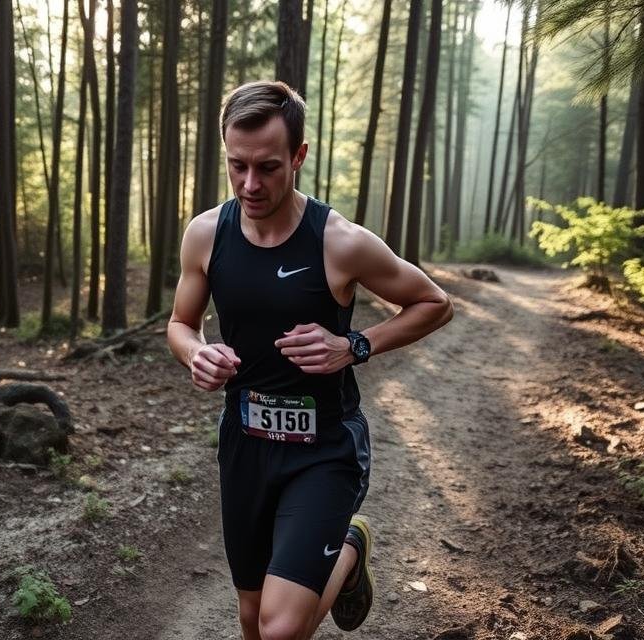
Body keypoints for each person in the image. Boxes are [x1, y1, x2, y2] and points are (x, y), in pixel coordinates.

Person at [166, 80, 453, 640]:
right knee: (252, 618)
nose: (251, 184)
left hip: (322, 450)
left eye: (268, 167)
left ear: (298, 156)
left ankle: (348, 547)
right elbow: (180, 323)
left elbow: (434, 303)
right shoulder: (206, 234)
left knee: (279, 630)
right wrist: (196, 354)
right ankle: (348, 550)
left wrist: (355, 346)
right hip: (245, 446)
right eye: (237, 165)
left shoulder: (338, 241)